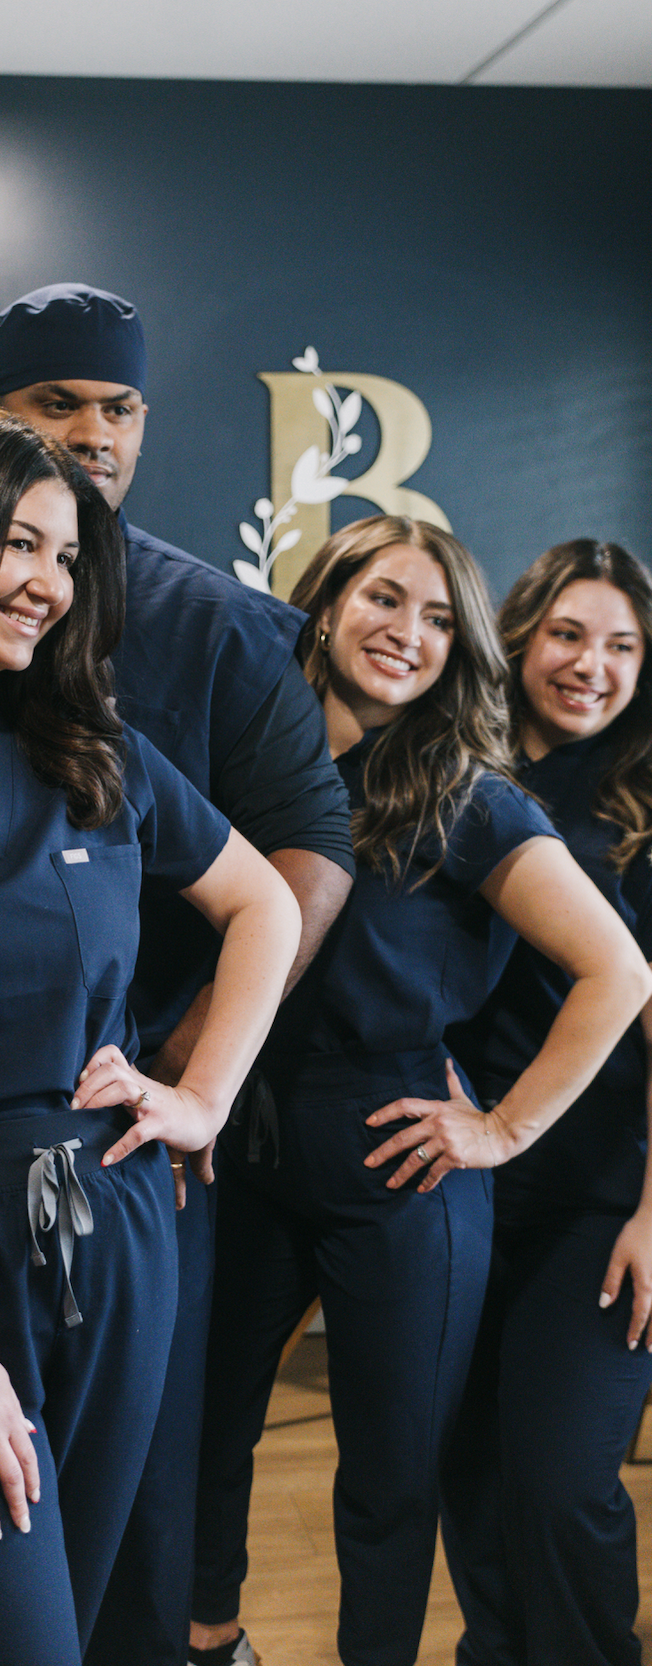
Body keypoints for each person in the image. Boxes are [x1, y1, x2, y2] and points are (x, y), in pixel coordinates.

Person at [0, 282, 355, 1666]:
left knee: (119, 1565)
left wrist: (193, 1078)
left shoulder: (153, 697)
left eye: (119, 408)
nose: (43, 576)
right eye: (55, 408)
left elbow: (287, 875)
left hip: (120, 1174)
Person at [188, 516, 652, 1666]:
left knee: (395, 1483)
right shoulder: (244, 763)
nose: (410, 633)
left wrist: (499, 1127)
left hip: (400, 1167)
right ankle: (207, 1643)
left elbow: (621, 970)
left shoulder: (468, 797)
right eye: (386, 599)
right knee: (201, 1437)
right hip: (242, 1146)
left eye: (440, 618)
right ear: (327, 600)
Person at [441, 540, 652, 1666]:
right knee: (471, 1472)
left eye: (623, 646)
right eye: (570, 634)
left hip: (603, 1202)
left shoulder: (641, 807)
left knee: (564, 1479)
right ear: (520, 634)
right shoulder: (449, 771)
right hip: (462, 1195)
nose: (591, 666)